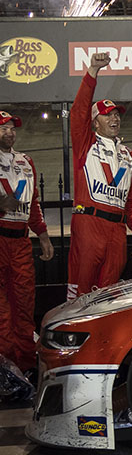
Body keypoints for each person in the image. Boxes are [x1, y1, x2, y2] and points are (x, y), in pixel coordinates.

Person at [67, 51, 132, 298]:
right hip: (89, 223)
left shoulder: (128, 155)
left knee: (109, 293)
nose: (114, 118)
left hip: (117, 229)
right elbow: (78, 112)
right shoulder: (85, 144)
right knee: (82, 291)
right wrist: (92, 72)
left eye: (116, 114)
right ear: (94, 122)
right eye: (107, 114)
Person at [0, 111, 53, 374]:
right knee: (2, 312)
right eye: (3, 128)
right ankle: (6, 368)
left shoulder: (26, 161)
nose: (9, 132)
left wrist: (42, 234)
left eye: (12, 128)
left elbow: (33, 203)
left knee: (24, 305)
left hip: (21, 242)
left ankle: (26, 365)